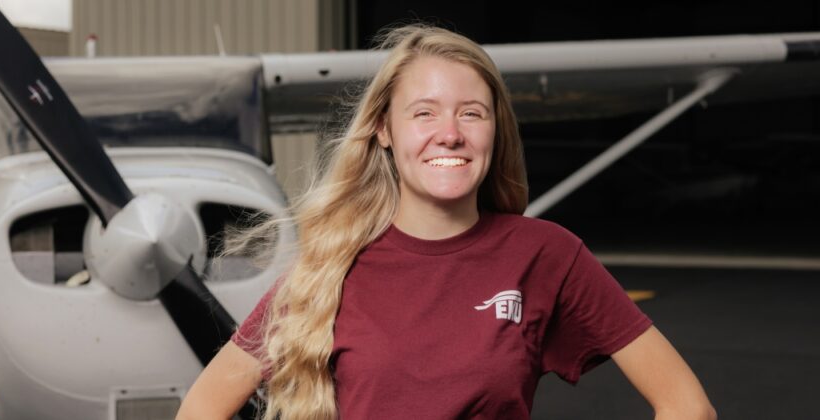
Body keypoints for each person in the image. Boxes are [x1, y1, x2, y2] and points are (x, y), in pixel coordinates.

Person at [177, 25, 715, 420]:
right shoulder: (330, 268)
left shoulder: (547, 254)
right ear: (384, 130)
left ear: (494, 131)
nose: (450, 133)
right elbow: (200, 409)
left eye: (471, 113)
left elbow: (687, 406)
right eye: (425, 112)